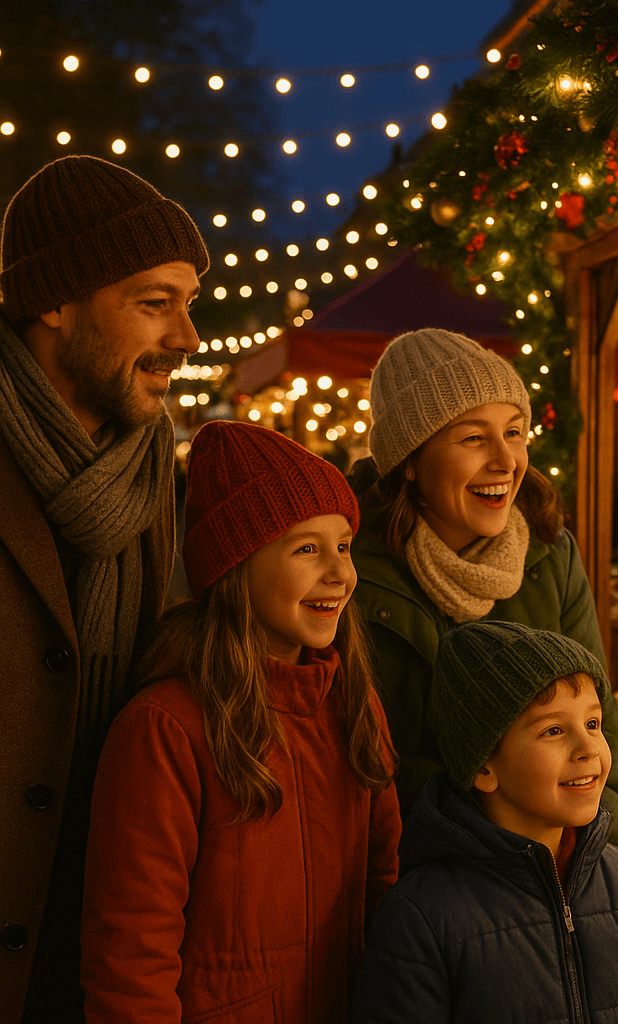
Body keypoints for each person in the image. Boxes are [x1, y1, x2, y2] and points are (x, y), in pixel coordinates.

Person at [80, 421, 402, 1022]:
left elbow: (386, 885)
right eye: (306, 549)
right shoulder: (165, 728)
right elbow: (130, 955)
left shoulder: (353, 703)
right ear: (236, 566)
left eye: (343, 545)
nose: (340, 574)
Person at [0, 155, 209, 1023]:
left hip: (99, 953)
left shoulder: (157, 478)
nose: (188, 337)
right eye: (156, 303)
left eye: (189, 304)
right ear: (54, 301)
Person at [349, 328, 618, 854]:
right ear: (409, 460)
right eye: (473, 438)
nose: (506, 461)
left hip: (550, 860)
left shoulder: (549, 554)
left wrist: (616, 869)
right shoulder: (348, 571)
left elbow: (601, 730)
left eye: (514, 432)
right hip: (411, 870)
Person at [352, 620, 618, 1024]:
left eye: (593, 724)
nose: (588, 748)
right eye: (554, 730)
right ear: (483, 767)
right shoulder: (420, 918)